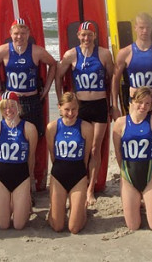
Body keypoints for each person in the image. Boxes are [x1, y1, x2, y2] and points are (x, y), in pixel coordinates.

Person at [0, 17, 56, 191]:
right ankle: (11, 180)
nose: (19, 36)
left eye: (23, 33)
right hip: (11, 104)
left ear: (28, 33)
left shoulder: (36, 51)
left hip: (31, 101)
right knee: (12, 140)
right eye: (16, 33)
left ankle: (30, 181)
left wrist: (46, 89)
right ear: (11, 34)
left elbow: (53, 64)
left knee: (31, 144)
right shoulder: (3, 50)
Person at [55, 21, 114, 205]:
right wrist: (61, 99)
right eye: (83, 35)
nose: (86, 38)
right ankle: (79, 183)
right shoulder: (71, 55)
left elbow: (112, 78)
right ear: (78, 36)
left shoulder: (104, 54)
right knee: (80, 147)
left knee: (95, 148)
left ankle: (90, 189)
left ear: (94, 36)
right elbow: (58, 75)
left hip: (99, 105)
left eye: (90, 34)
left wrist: (113, 104)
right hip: (80, 106)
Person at [112, 86, 152, 231]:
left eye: (147, 103)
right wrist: (124, 172)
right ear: (132, 102)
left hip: (149, 174)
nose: (143, 106)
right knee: (133, 226)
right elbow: (118, 151)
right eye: (140, 102)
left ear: (151, 106)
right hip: (128, 175)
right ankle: (141, 202)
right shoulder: (120, 123)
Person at [111, 12, 152, 125]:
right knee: (136, 133)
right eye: (141, 28)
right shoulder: (125, 53)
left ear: (151, 28)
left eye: (148, 27)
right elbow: (115, 80)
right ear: (135, 28)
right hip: (135, 102)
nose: (145, 31)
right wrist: (115, 106)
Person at [46, 92, 94, 234]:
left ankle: (81, 210)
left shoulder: (86, 127)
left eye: (74, 109)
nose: (71, 113)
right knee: (58, 226)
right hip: (58, 175)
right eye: (67, 109)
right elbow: (52, 154)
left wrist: (84, 176)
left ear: (78, 109)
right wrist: (59, 170)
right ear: (59, 107)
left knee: (74, 228)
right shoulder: (52, 127)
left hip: (78, 175)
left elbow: (86, 155)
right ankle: (54, 209)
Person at [0, 91, 38, 230]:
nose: (8, 110)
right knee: (3, 225)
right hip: (1, 176)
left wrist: (29, 178)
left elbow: (31, 157)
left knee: (18, 225)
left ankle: (23, 202)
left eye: (12, 106)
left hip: (21, 175)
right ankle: (11, 202)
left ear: (19, 107)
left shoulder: (29, 128)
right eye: (4, 107)